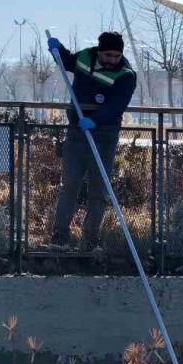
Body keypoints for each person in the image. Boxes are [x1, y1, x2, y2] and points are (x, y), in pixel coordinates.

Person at [47, 31, 138, 251]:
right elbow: (68, 62)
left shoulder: (126, 75)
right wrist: (57, 51)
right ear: (99, 51)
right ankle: (60, 237)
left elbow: (117, 105)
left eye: (116, 56)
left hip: (105, 134)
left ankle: (90, 240)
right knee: (69, 184)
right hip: (77, 132)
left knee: (99, 189)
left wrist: (95, 120)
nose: (112, 60)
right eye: (107, 55)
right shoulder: (86, 58)